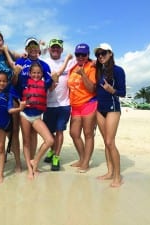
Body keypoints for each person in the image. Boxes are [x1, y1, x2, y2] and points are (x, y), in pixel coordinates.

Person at [0, 30, 23, 172]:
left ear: (3, 41)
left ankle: (18, 163)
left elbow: (22, 56)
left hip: (11, 95)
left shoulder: (8, 53)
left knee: (14, 131)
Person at [15, 37, 52, 163]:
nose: (33, 50)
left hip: (36, 108)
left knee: (34, 135)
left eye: (35, 47)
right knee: (24, 136)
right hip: (23, 105)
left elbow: (49, 83)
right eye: (30, 47)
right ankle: (27, 162)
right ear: (26, 49)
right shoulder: (21, 60)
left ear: (39, 49)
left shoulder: (45, 65)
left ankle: (32, 160)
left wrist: (55, 80)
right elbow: (15, 81)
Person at [94, 43, 126, 187]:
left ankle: (117, 177)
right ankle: (110, 172)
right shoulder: (99, 70)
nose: (101, 56)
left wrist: (111, 90)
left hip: (113, 108)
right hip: (99, 109)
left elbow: (123, 92)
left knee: (109, 142)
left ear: (110, 53)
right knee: (106, 142)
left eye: (103, 53)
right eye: (98, 54)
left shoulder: (118, 70)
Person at [43, 38, 74, 171]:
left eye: (58, 48)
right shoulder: (44, 62)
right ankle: (53, 149)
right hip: (48, 104)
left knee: (60, 130)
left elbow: (83, 61)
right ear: (49, 49)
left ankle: (56, 156)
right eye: (53, 47)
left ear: (61, 49)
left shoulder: (70, 62)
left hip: (64, 104)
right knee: (49, 133)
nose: (55, 50)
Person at [19, 62, 54, 179]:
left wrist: (67, 60)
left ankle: (35, 161)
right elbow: (15, 70)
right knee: (26, 142)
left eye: (38, 73)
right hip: (24, 115)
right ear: (29, 73)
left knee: (49, 140)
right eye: (33, 73)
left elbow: (55, 76)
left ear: (42, 73)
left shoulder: (45, 84)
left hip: (37, 117)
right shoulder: (24, 82)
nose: (36, 75)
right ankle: (30, 169)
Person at [67, 43, 97, 172]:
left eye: (83, 54)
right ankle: (82, 158)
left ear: (88, 55)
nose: (80, 57)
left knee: (88, 134)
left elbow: (92, 88)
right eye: (78, 54)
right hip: (75, 106)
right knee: (74, 133)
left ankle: (86, 163)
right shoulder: (72, 67)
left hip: (89, 103)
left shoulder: (92, 67)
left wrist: (83, 74)